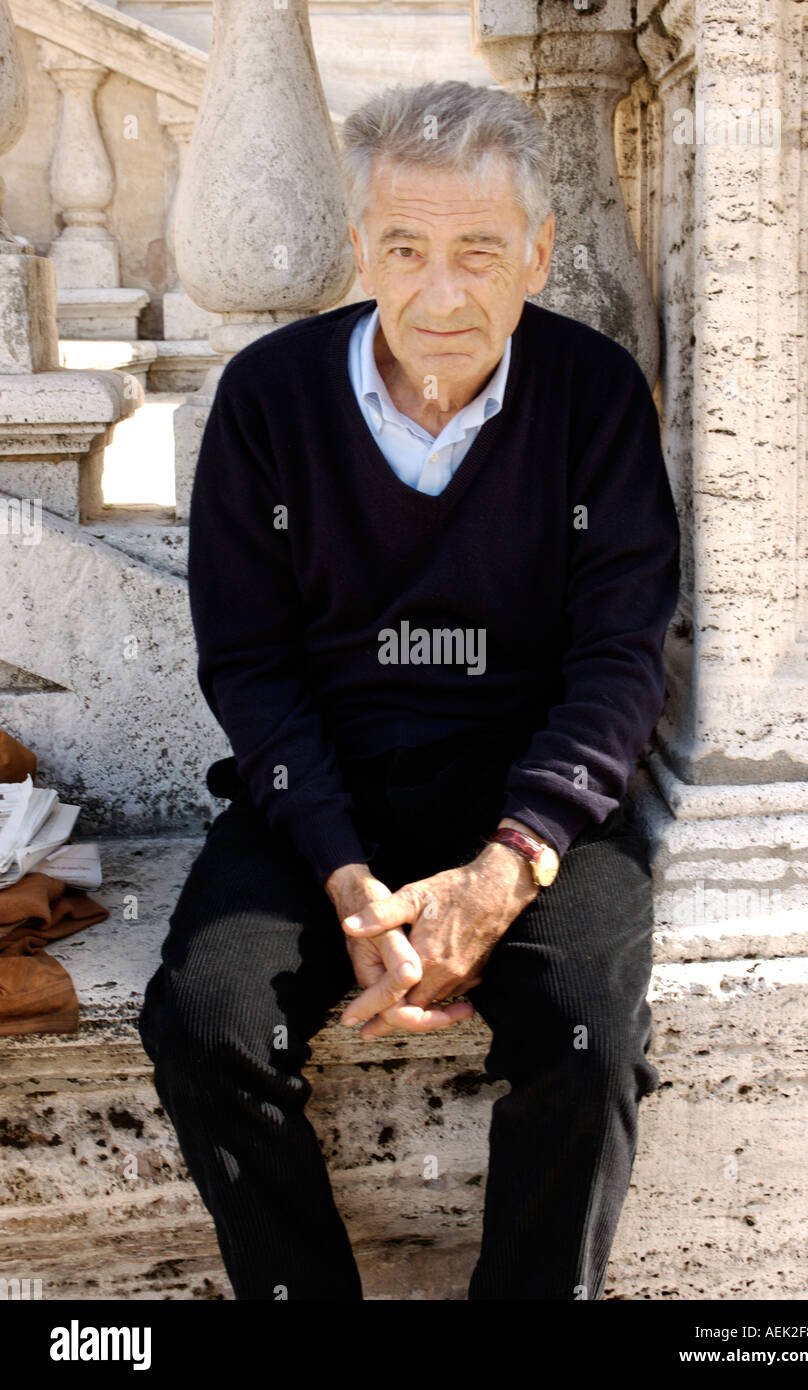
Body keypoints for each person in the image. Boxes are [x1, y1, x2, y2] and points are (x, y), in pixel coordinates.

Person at [138, 79, 680, 1301]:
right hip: (325, 787)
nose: (441, 296)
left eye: (480, 252)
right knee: (207, 1018)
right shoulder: (270, 401)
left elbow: (619, 660)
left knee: (589, 1026)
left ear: (538, 252)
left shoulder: (591, 396)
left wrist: (508, 865)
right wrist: (341, 871)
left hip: (538, 793)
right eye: (405, 249)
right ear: (357, 249)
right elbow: (252, 666)